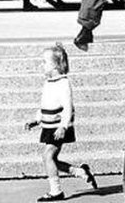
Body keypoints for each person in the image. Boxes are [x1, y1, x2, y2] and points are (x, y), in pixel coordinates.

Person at [25, 43, 97, 202]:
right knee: (51, 159)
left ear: (55, 65)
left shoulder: (63, 83)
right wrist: (36, 120)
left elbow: (67, 107)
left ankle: (56, 191)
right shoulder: (48, 82)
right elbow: (45, 104)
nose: (41, 65)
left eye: (44, 62)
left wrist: (63, 126)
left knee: (47, 156)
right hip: (48, 126)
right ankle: (80, 172)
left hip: (59, 127)